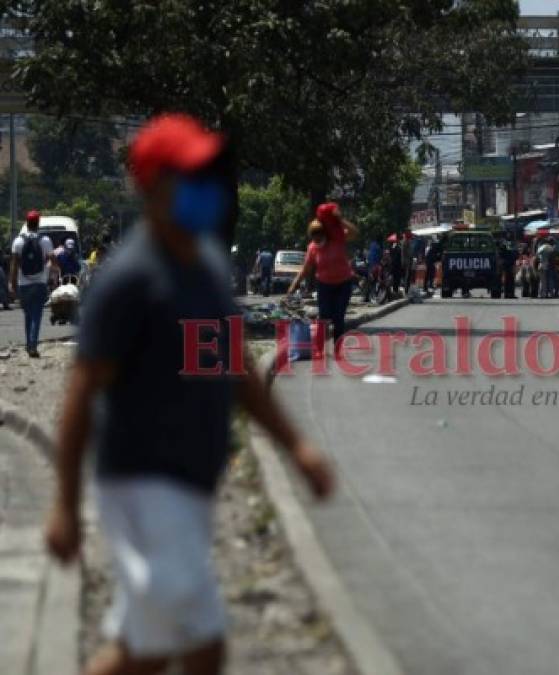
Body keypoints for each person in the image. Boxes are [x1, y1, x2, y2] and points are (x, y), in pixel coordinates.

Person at [44, 113, 334, 675]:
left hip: (188, 483)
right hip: (143, 483)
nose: (206, 190)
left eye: (208, 176)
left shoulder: (202, 265)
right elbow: (81, 394)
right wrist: (63, 505)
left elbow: (235, 368)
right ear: (152, 188)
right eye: (190, 177)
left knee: (186, 647)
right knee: (162, 647)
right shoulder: (130, 279)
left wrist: (296, 447)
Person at [289, 203, 359, 357]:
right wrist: (295, 284)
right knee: (323, 318)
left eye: (320, 236)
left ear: (325, 234)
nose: (317, 239)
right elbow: (306, 268)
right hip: (325, 285)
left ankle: (337, 349)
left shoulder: (337, 239)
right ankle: (319, 350)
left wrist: (340, 220)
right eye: (314, 237)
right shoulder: (313, 248)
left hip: (343, 283)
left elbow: (354, 232)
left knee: (338, 317)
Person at [9, 210, 55, 358]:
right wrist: (52, 271)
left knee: (28, 315)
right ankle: (33, 346)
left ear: (27, 223)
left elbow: (14, 265)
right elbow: (53, 261)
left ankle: (29, 345)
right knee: (37, 315)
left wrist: (12, 283)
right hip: (40, 283)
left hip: (24, 284)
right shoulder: (45, 240)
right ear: (38, 223)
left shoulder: (18, 241)